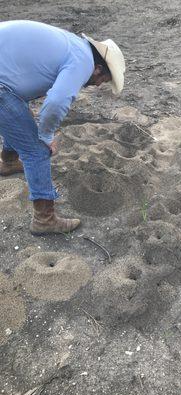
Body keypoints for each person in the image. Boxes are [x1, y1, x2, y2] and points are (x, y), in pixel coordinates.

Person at [0, 20, 125, 235]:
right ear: (98, 68)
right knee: (36, 151)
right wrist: (46, 136)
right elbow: (56, 103)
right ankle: (44, 219)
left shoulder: (74, 45)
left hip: (5, 80)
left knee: (20, 116)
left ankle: (9, 162)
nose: (99, 85)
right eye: (103, 79)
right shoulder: (82, 61)